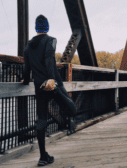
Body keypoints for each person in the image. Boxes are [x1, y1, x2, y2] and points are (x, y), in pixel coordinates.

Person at [21, 14, 76, 167]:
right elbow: (48, 58)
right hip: (53, 84)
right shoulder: (51, 40)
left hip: (39, 87)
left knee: (42, 120)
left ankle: (43, 157)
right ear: (47, 27)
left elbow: (27, 69)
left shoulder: (28, 47)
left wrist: (24, 81)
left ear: (36, 28)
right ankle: (44, 156)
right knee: (72, 109)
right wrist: (52, 80)